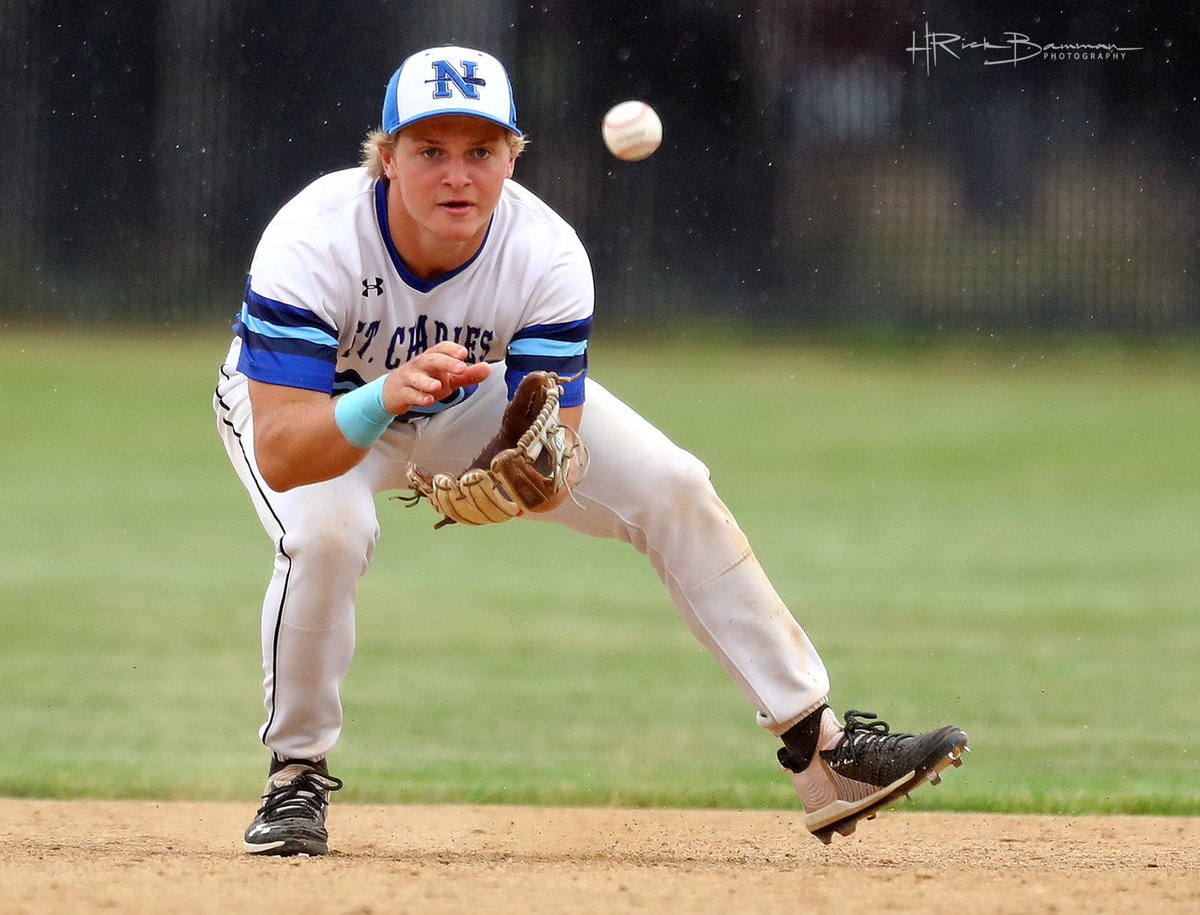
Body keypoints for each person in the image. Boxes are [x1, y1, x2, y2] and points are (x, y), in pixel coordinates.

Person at [213, 45, 967, 857]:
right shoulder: (315, 238)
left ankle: (820, 751)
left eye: (481, 150)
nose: (457, 174)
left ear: (513, 157)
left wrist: (526, 475)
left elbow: (554, 450)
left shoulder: (546, 254)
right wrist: (385, 394)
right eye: (430, 150)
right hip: (325, 414)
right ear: (386, 157)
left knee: (675, 485)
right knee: (329, 535)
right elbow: (286, 451)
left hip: (467, 402)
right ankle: (295, 775)